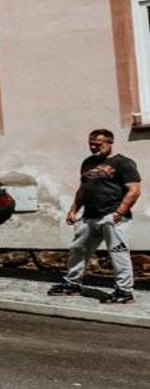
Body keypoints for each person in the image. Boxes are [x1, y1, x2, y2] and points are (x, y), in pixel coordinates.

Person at [49, 128, 140, 304]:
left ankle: (124, 292)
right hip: (89, 216)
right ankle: (72, 284)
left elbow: (134, 190)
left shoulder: (124, 163)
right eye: (91, 144)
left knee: (118, 253)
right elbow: (83, 189)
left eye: (98, 144)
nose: (93, 147)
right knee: (78, 250)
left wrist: (119, 212)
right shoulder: (88, 162)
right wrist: (73, 210)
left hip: (112, 216)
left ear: (110, 142)